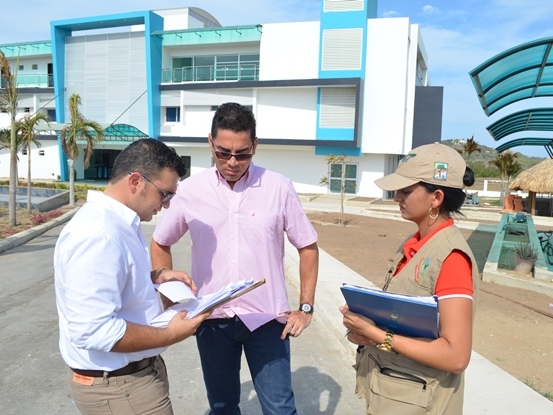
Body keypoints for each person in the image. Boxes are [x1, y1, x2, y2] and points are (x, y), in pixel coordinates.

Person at [150, 102, 319, 415]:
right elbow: (161, 242)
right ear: (210, 142)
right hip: (212, 321)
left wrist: (306, 308)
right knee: (223, 406)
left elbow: (307, 246)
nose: (232, 162)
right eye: (223, 152)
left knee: (281, 408)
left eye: (242, 153)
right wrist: (170, 297)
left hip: (268, 320)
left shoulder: (278, 187)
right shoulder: (189, 191)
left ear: (255, 145)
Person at [53, 138, 211, 415]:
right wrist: (169, 334)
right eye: (165, 194)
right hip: (118, 386)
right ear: (136, 181)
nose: (167, 205)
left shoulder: (119, 224)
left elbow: (111, 282)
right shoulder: (99, 234)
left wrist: (153, 277)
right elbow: (94, 330)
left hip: (128, 380)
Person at [340, 142, 479, 415]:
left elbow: (456, 355)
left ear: (436, 198)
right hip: (396, 396)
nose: (396, 198)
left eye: (405, 191)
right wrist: (364, 331)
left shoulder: (450, 257)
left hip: (421, 403)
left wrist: (378, 335)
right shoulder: (416, 243)